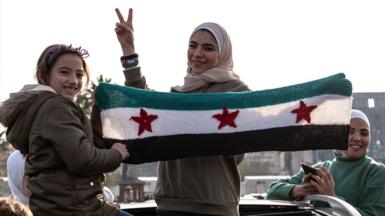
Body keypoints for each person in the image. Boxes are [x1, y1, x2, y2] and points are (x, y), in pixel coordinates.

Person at [111, 8, 251, 216]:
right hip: (171, 205)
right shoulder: (177, 96)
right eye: (193, 46)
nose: (197, 54)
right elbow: (143, 106)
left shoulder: (237, 92)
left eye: (208, 48)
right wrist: (128, 49)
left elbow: (240, 149)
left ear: (223, 53)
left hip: (217, 207)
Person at [0, 44, 133, 216]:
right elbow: (83, 160)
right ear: (44, 75)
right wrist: (117, 154)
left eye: (79, 75)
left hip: (56, 207)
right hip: (78, 208)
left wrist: (97, 113)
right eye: (64, 72)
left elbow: (82, 150)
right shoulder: (56, 107)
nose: (73, 81)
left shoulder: (41, 107)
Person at [267, 109, 385, 216]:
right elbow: (272, 191)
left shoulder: (376, 172)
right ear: (338, 135)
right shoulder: (321, 169)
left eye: (364, 133)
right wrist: (300, 190)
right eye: (350, 131)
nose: (357, 138)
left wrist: (332, 198)